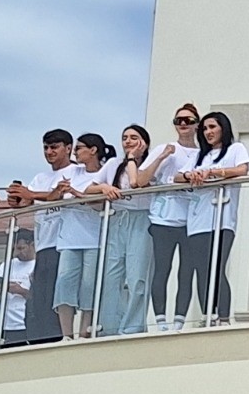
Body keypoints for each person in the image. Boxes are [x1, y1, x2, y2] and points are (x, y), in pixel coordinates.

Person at [177, 112, 249, 324]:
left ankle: (224, 316)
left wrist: (213, 173)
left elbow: (242, 169)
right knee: (202, 270)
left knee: (217, 268)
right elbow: (177, 176)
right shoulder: (198, 156)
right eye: (204, 129)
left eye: (212, 127)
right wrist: (190, 175)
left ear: (223, 128)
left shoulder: (235, 149)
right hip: (197, 220)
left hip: (222, 218)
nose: (208, 132)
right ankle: (207, 315)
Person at [4, 129, 73, 345]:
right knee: (40, 297)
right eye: (46, 147)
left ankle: (62, 336)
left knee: (58, 294)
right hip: (43, 244)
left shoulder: (76, 172)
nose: (49, 152)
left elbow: (58, 195)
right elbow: (27, 202)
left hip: (65, 244)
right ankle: (41, 340)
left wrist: (31, 194)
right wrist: (17, 198)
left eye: (54, 147)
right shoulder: (40, 178)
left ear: (68, 148)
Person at [52, 133, 116, 338]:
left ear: (93, 150)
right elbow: (53, 195)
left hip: (95, 238)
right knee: (64, 282)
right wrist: (61, 192)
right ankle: (66, 335)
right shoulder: (72, 171)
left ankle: (84, 333)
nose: (75, 153)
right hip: (69, 238)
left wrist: (81, 195)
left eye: (79, 148)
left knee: (89, 285)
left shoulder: (105, 172)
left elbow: (102, 204)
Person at [145, 104, 202, 332]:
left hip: (192, 220)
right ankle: (160, 321)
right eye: (179, 120)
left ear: (197, 124)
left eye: (189, 120)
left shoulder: (202, 153)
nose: (183, 124)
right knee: (162, 269)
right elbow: (142, 179)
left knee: (187, 272)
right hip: (163, 219)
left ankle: (179, 321)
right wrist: (162, 156)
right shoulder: (165, 148)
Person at [94, 124, 156, 336]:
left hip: (141, 218)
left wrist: (132, 158)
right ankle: (109, 326)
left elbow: (135, 182)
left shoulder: (149, 163)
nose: (128, 141)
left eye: (133, 137)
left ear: (144, 142)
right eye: (125, 137)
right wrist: (104, 187)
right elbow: (89, 188)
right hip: (117, 218)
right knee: (111, 276)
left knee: (137, 276)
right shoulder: (113, 163)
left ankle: (133, 327)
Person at [0, 229, 36, 348]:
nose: (18, 253)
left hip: (21, 323)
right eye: (15, 249)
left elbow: (39, 297)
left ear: (32, 245)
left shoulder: (37, 265)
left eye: (21, 248)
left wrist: (20, 290)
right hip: (0, 322)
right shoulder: (7, 265)